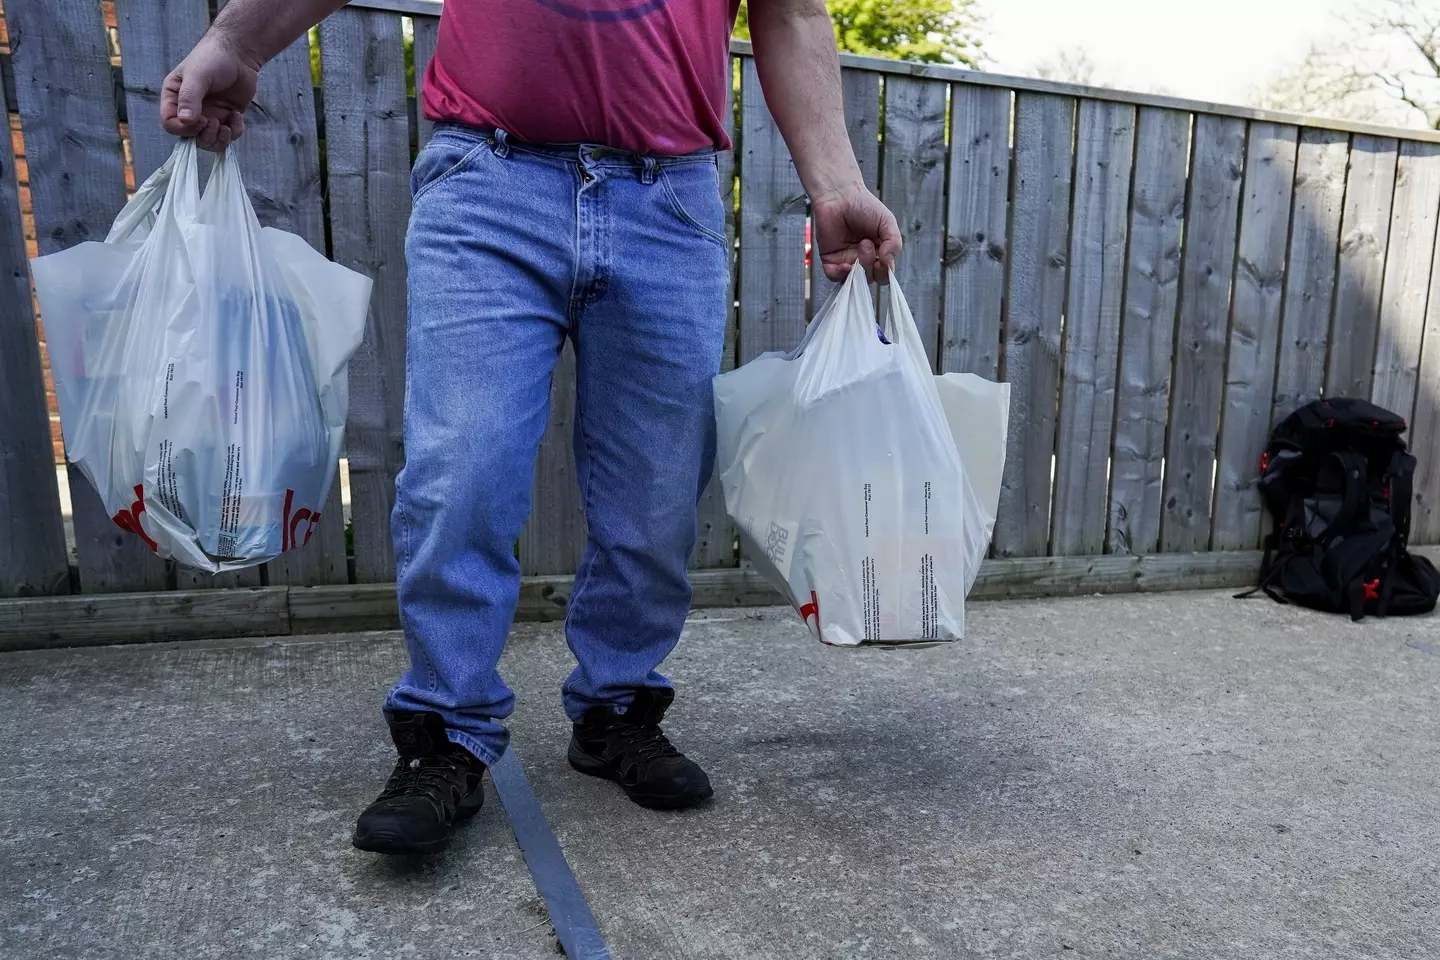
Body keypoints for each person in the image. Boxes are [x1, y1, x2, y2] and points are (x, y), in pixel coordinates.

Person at [161, 0, 902, 856]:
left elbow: (794, 13)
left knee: (658, 493)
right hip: (489, 180)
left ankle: (618, 708)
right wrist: (233, 42)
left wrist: (838, 185)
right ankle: (445, 729)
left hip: (670, 199)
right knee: (462, 467)